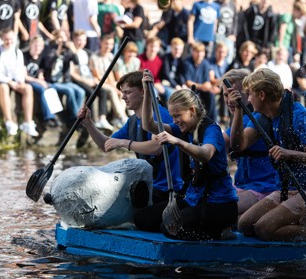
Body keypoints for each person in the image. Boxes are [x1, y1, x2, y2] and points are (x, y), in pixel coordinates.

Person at [228, 68, 306, 242]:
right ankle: (300, 228)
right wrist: (239, 112)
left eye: (250, 94)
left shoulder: (300, 117)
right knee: (244, 225)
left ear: (262, 95)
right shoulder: (264, 117)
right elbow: (238, 145)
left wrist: (288, 154)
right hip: (288, 190)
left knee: (263, 229)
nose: (248, 99)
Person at [77, 70, 183, 229]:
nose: (123, 97)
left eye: (128, 92)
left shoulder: (162, 116)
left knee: (139, 219)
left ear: (143, 92)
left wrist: (124, 143)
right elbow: (106, 144)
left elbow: (156, 148)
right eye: (122, 93)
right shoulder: (133, 121)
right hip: (148, 186)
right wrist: (88, 124)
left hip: (167, 190)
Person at [141, 70, 238, 241]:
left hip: (219, 204)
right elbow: (148, 124)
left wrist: (176, 141)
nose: (175, 120)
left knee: (168, 228)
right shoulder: (183, 129)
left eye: (177, 116)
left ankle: (220, 232)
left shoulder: (211, 129)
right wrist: (148, 92)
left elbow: (206, 154)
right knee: (143, 219)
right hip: (194, 198)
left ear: (192, 110)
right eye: (172, 116)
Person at [220, 69, 278, 217]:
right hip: (242, 185)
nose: (230, 100)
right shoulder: (239, 118)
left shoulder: (258, 117)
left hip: (265, 187)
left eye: (235, 94)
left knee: (223, 213)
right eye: (226, 95)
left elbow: (225, 142)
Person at [0, 28, 38, 137]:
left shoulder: (17, 52)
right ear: (2, 39)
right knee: (4, 88)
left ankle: (27, 122)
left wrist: (20, 81)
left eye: (11, 39)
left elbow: (19, 70)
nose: (9, 42)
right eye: (6, 39)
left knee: (28, 88)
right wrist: (10, 82)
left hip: (13, 80)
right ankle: (9, 121)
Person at [91, 34, 128, 130]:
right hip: (99, 82)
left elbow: (114, 74)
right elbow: (98, 76)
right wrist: (113, 85)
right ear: (101, 43)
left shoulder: (112, 57)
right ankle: (122, 117)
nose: (108, 46)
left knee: (123, 91)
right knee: (112, 91)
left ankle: (118, 118)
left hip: (110, 83)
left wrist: (117, 86)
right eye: (106, 43)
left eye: (111, 44)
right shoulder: (94, 57)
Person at [23, 35, 60, 129]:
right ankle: (48, 117)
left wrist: (40, 76)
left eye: (40, 46)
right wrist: (38, 81)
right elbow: (24, 76)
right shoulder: (24, 56)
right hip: (28, 81)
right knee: (42, 89)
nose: (38, 48)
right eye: (36, 45)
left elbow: (41, 70)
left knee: (52, 87)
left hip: (37, 80)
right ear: (31, 45)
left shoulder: (41, 56)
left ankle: (55, 115)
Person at [183, 42, 215, 121]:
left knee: (211, 94)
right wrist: (202, 86)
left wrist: (208, 86)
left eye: (201, 52)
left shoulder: (205, 63)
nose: (199, 54)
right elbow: (188, 83)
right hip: (190, 89)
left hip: (202, 90)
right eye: (197, 52)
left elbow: (207, 82)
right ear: (193, 52)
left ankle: (211, 120)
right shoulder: (187, 62)